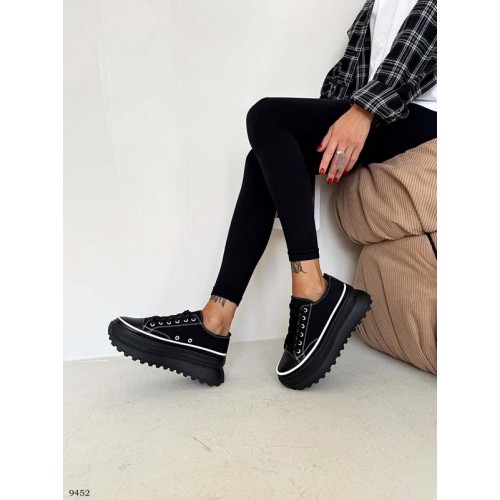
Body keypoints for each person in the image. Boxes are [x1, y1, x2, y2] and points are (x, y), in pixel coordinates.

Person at [108, 0, 437, 389]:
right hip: (382, 110)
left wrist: (361, 113)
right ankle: (215, 320)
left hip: (424, 114)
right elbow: (349, 72)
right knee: (263, 155)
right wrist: (320, 128)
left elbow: (420, 46)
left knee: (267, 115)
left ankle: (311, 288)